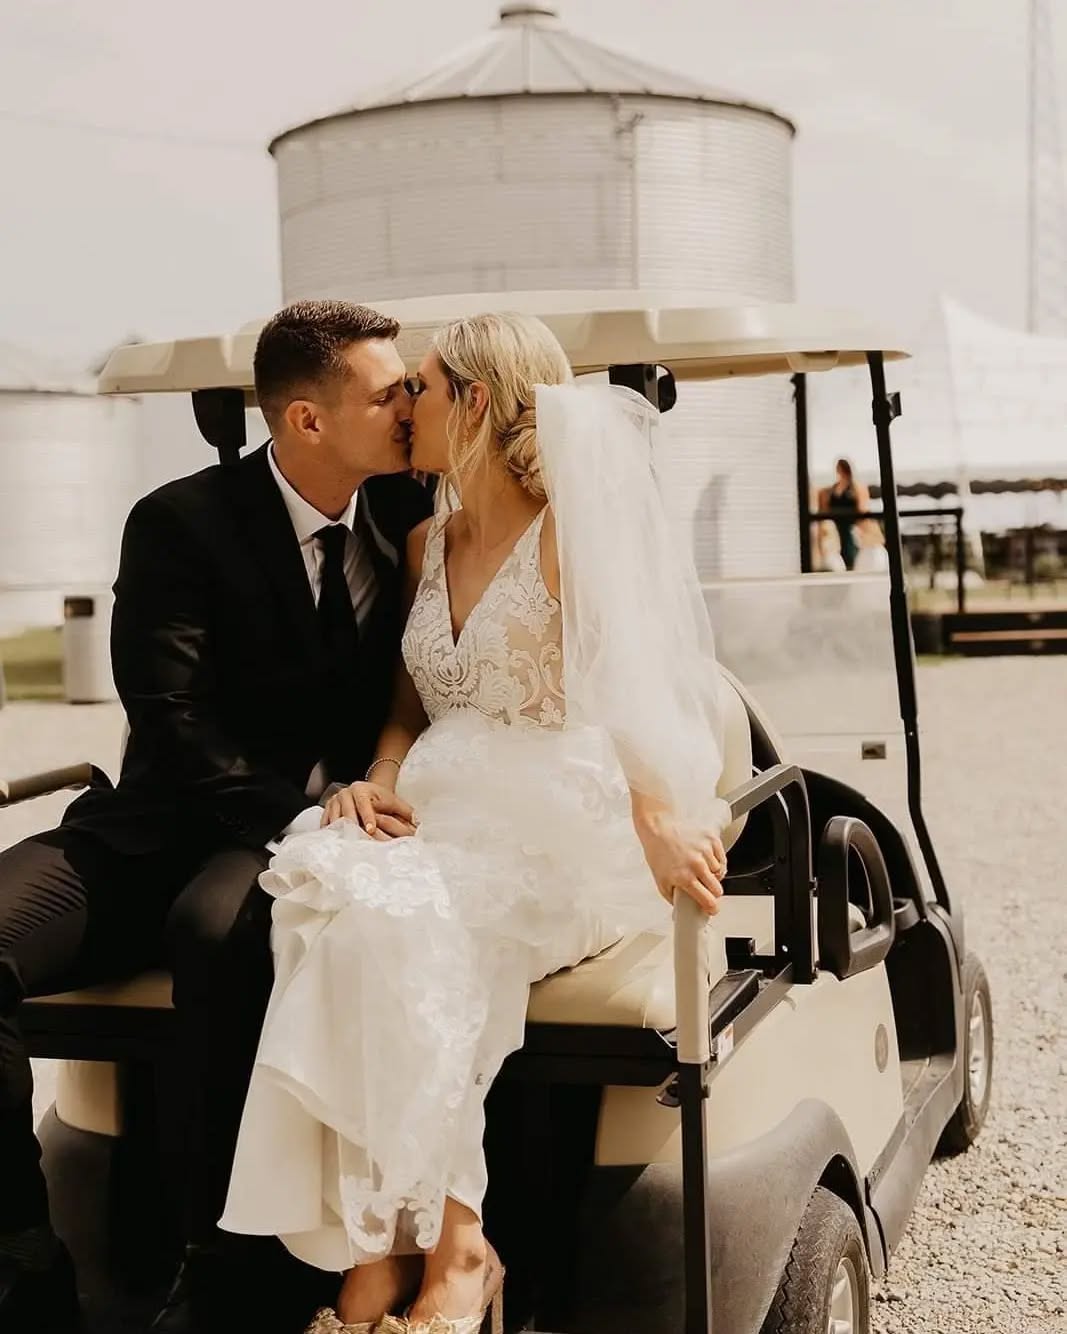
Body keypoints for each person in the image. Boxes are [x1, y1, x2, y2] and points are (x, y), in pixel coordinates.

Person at [219, 313, 730, 1334]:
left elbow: (625, 692)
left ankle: (438, 1250)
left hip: (559, 813)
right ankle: (398, 1245)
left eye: (422, 385)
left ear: (476, 400)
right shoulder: (422, 539)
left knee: (419, 931)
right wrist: (379, 771)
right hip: (443, 807)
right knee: (336, 913)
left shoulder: (564, 536)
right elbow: (412, 700)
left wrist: (655, 817)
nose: (406, 404)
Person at [0, 300, 432, 1333]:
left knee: (217, 931)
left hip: (294, 842)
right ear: (306, 421)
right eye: (388, 391)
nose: (410, 404)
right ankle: (22, 1252)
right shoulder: (180, 520)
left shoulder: (409, 509)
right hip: (162, 820)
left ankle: (218, 1262)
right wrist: (306, 805)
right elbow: (173, 715)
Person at [823, 458, 871, 572]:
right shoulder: (834, 488)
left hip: (849, 527)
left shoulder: (854, 487)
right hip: (836, 526)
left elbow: (862, 507)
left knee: (850, 552)